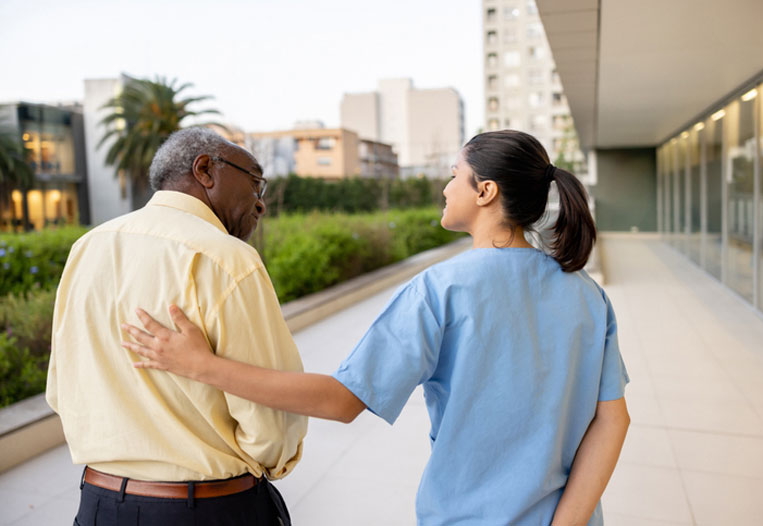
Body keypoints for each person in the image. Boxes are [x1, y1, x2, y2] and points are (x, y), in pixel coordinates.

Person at [123, 130, 630, 525]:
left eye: (456, 175)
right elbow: (612, 422)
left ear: (486, 191)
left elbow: (342, 402)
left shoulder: (441, 290)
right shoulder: (585, 293)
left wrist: (203, 366)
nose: (446, 186)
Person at [46, 127, 307, 526]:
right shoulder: (227, 258)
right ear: (205, 170)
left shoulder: (87, 247)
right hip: (207, 507)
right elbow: (272, 418)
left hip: (98, 506)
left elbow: (60, 388)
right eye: (256, 183)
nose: (261, 204)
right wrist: (269, 463)